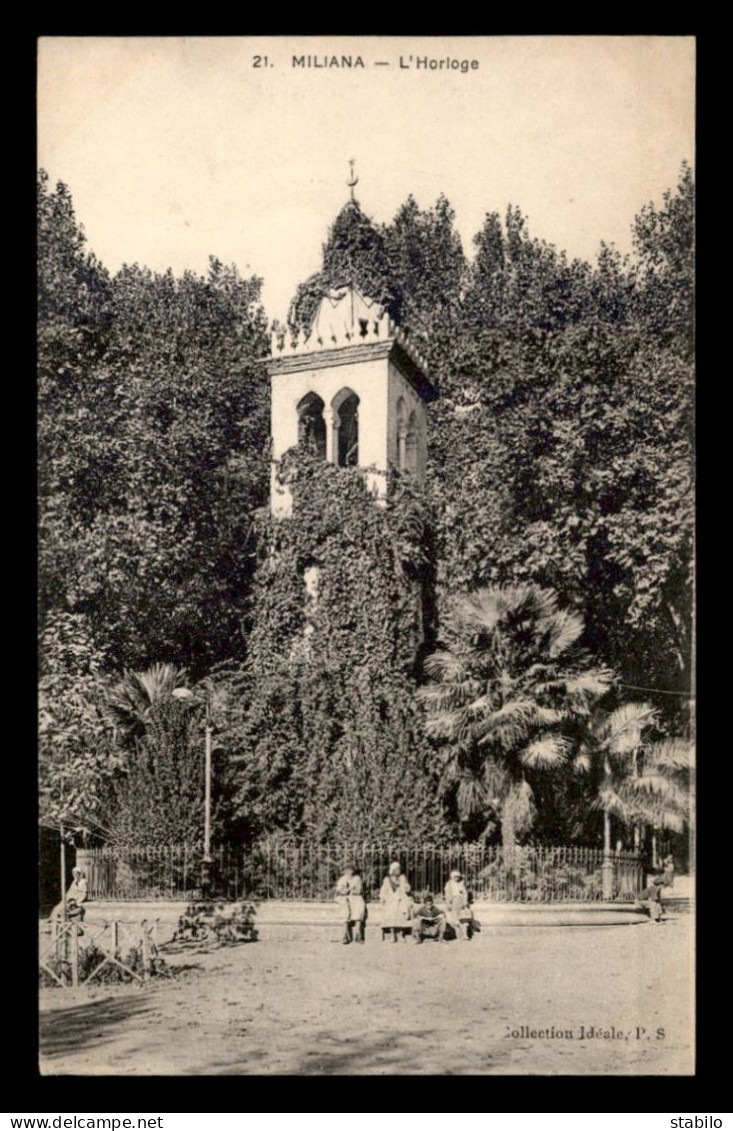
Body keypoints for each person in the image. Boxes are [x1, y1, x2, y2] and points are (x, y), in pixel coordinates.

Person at [379, 861, 413, 941]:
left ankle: (401, 934)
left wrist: (406, 887)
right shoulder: (387, 879)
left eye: (399, 869)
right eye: (397, 869)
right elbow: (383, 890)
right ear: (393, 870)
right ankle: (392, 934)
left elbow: (407, 888)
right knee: (390, 913)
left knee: (402, 912)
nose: (398, 870)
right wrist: (383, 898)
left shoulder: (402, 878)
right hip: (390, 900)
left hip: (401, 899)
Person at [334, 865, 366, 945]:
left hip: (356, 898)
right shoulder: (343, 879)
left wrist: (348, 890)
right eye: (347, 870)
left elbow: (358, 890)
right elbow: (339, 889)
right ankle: (345, 936)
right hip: (345, 899)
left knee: (358, 914)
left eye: (351, 870)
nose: (349, 872)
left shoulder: (357, 879)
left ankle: (358, 936)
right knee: (345, 915)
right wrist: (345, 891)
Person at [444, 869, 473, 940]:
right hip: (454, 901)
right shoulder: (449, 884)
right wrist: (448, 903)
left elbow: (465, 893)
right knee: (455, 919)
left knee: (464, 918)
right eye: (455, 877)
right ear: (452, 877)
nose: (456, 878)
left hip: (461, 901)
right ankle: (458, 935)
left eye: (458, 877)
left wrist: (465, 902)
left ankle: (465, 935)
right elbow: (447, 895)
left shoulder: (461, 883)